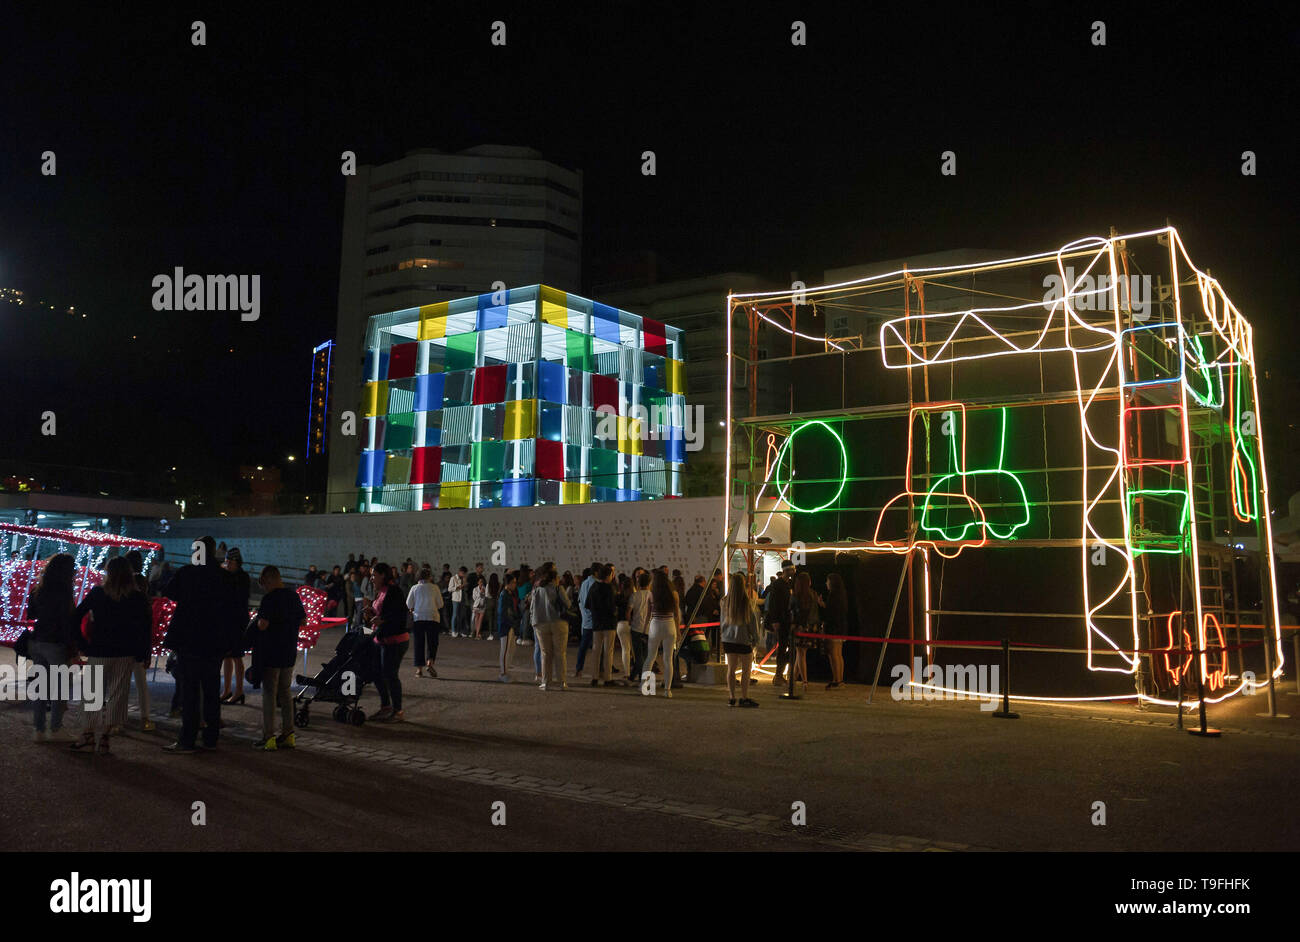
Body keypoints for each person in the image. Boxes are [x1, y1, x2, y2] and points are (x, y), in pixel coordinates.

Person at [163, 536, 239, 753]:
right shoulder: (224, 577)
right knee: (211, 689)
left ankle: (187, 739)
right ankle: (210, 737)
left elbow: (170, 592)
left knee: (190, 690)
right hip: (215, 639)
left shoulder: (187, 573)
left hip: (189, 638)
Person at [70, 556, 152, 753]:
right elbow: (145, 627)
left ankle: (88, 733)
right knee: (118, 693)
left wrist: (82, 644)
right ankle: (105, 737)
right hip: (126, 652)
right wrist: (143, 652)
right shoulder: (138, 597)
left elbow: (76, 616)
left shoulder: (98, 592)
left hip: (99, 649)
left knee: (92, 693)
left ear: (108, 572)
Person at [25, 553, 78, 743]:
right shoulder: (64, 592)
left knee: (41, 687)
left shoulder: (39, 589)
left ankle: (39, 729)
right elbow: (66, 622)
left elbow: (30, 613)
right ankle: (56, 728)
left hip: (38, 641)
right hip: (56, 643)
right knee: (61, 688)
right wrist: (72, 646)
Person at [252, 565, 306, 750]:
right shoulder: (293, 596)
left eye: (264, 584)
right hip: (289, 651)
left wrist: (257, 623)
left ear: (269, 579)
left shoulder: (269, 599)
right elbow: (303, 620)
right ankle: (288, 734)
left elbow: (263, 624)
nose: (264, 588)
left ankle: (269, 737)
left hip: (271, 652)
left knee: (269, 693)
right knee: (285, 692)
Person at [369, 563, 410, 721]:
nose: (372, 578)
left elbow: (399, 616)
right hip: (380, 639)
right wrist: (372, 612)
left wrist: (383, 620)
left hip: (394, 640)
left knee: (390, 675)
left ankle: (398, 710)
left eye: (374, 575)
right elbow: (382, 611)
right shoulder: (380, 591)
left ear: (383, 575)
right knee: (376, 673)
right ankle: (386, 706)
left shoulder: (394, 591)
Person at [123, 549, 155, 731]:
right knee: (141, 682)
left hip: (122, 640)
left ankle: (118, 720)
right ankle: (145, 718)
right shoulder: (142, 586)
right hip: (138, 640)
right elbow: (146, 621)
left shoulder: (121, 584)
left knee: (122, 683)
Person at [720, 573, 761, 708]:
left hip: (728, 639)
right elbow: (752, 623)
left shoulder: (724, 601)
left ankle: (731, 697)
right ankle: (744, 697)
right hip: (743, 640)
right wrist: (755, 638)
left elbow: (722, 621)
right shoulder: (746, 602)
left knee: (731, 669)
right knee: (746, 670)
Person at [530, 564, 570, 690]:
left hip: (541, 624)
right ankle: (562, 682)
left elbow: (532, 608)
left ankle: (546, 682)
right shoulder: (559, 588)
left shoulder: (537, 590)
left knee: (545, 653)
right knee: (560, 653)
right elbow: (567, 604)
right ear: (555, 578)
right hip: (559, 623)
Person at [220, 547, 251, 704]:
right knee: (226, 656)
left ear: (237, 563)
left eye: (229, 562)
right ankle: (226, 689)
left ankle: (239, 690)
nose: (227, 565)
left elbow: (237, 597)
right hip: (227, 620)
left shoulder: (242, 577)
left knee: (237, 656)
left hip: (238, 621)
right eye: (226, 561)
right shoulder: (228, 576)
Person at [645, 571, 681, 698]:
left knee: (650, 657)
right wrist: (678, 631)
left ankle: (646, 688)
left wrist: (645, 628)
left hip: (655, 624)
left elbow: (648, 614)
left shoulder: (651, 594)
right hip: (670, 625)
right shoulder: (674, 594)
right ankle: (667, 690)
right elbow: (677, 615)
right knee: (668, 659)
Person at [584, 563, 618, 687]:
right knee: (608, 651)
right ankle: (607, 677)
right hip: (609, 623)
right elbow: (612, 606)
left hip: (596, 623)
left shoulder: (593, 587)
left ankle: (594, 677)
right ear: (608, 575)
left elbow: (587, 604)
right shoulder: (609, 588)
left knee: (596, 650)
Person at [407, 567, 443, 678]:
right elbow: (440, 604)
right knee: (432, 642)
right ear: (429, 576)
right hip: (433, 617)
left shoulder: (414, 588)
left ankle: (419, 670)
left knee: (419, 643)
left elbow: (408, 604)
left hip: (419, 617)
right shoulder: (435, 588)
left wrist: (414, 608)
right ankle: (429, 662)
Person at [789, 572, 822, 690]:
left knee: (800, 653)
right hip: (812, 627)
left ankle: (804, 681)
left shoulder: (795, 595)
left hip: (799, 627)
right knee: (801, 653)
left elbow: (791, 611)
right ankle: (792, 680)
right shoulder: (813, 594)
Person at [765, 563, 793, 685]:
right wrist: (775, 620)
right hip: (781, 621)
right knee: (782, 647)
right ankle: (778, 675)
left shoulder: (790, 584)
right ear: (786, 571)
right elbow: (773, 603)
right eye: (791, 570)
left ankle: (781, 674)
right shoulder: (777, 585)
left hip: (788, 620)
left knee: (787, 647)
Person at [823, 572, 849, 689]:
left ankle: (836, 680)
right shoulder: (842, 595)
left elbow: (831, 613)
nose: (826, 583)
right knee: (839, 654)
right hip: (841, 627)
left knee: (834, 654)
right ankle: (840, 679)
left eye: (828, 581)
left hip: (833, 628)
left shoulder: (833, 595)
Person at [627, 570, 651, 682]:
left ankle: (637, 675)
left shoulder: (634, 595)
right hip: (649, 628)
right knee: (646, 654)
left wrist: (629, 621)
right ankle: (640, 675)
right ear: (649, 583)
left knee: (638, 654)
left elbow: (628, 611)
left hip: (636, 627)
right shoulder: (651, 595)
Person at [574, 564, 598, 678]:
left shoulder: (583, 583)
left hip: (585, 619)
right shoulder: (595, 584)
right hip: (593, 619)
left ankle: (579, 669)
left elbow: (580, 600)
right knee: (598, 647)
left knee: (583, 646)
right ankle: (599, 671)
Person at [496, 571, 520, 682]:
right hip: (505, 625)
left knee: (509, 650)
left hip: (509, 625)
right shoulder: (504, 595)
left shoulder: (508, 594)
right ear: (508, 583)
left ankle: (505, 672)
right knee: (505, 650)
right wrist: (511, 622)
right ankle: (503, 673)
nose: (515, 584)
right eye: (514, 582)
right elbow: (503, 612)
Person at [614, 572, 633, 681]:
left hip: (621, 624)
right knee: (634, 650)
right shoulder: (634, 596)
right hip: (632, 624)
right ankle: (636, 670)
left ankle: (627, 672)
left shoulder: (618, 597)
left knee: (625, 649)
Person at [448, 566, 467, 637]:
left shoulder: (463, 579)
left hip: (462, 599)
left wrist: (465, 584)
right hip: (455, 599)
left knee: (461, 616)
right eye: (463, 573)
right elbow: (449, 589)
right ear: (460, 572)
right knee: (455, 615)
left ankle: (460, 631)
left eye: (464, 574)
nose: (464, 575)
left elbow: (464, 588)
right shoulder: (453, 578)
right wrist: (458, 587)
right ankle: (453, 630)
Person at [483, 572, 500, 641]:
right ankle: (497, 633)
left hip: (490, 602)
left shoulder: (488, 585)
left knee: (490, 619)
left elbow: (486, 595)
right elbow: (499, 594)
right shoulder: (499, 584)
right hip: (497, 602)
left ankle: (490, 634)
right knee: (497, 618)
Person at [471, 571, 488, 639]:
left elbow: (486, 596)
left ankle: (477, 634)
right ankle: (476, 633)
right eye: (480, 582)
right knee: (476, 620)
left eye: (482, 582)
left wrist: (484, 592)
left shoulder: (485, 588)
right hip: (476, 606)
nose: (481, 583)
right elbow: (474, 598)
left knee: (480, 620)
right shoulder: (475, 589)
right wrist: (480, 593)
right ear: (478, 582)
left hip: (482, 606)